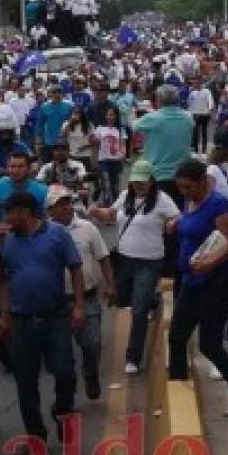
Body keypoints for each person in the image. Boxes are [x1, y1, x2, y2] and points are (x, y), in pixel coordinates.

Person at [0, 190, 85, 442]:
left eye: (11, 212)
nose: (7, 218)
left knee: (65, 373)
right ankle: (36, 435)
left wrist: (78, 306)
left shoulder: (57, 234)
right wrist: (4, 315)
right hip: (21, 321)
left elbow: (75, 269)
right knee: (25, 382)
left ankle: (62, 410)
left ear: (26, 213)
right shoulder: (6, 240)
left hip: (55, 317)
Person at [167, 160, 228, 416]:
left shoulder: (218, 204)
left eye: (188, 188)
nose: (184, 193)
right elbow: (189, 222)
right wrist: (176, 223)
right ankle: (178, 389)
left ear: (202, 182)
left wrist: (210, 263)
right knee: (177, 336)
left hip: (215, 283)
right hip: (190, 280)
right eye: (180, 189)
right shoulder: (190, 202)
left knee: (209, 343)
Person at [89, 159, 179, 375]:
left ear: (151, 181)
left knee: (138, 312)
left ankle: (133, 358)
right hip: (124, 260)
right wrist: (94, 211)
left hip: (149, 262)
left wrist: (171, 225)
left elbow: (176, 217)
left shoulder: (162, 199)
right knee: (121, 301)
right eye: (135, 181)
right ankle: (151, 299)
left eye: (143, 181)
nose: (139, 185)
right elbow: (111, 214)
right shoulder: (125, 197)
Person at [46, 185, 116, 401]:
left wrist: (111, 285)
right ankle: (67, 391)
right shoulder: (43, 232)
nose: (66, 207)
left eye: (68, 202)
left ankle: (91, 375)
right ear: (50, 210)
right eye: (60, 204)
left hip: (87, 297)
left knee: (92, 344)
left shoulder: (87, 228)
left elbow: (103, 257)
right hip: (56, 303)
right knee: (60, 353)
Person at [130, 84, 194, 200]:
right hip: (183, 174)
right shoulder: (188, 117)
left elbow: (132, 127)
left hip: (159, 174)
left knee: (158, 213)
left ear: (158, 99)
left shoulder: (153, 118)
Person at [0, 150, 48, 229]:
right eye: (12, 166)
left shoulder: (42, 190)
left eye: (20, 166)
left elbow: (46, 218)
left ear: (29, 168)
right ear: (7, 168)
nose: (16, 170)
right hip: (5, 232)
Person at [90, 107, 127, 205]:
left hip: (116, 160)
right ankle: (106, 204)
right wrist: (94, 159)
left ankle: (116, 206)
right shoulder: (100, 129)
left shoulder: (120, 129)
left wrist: (123, 155)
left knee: (115, 186)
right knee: (106, 184)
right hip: (103, 160)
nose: (109, 117)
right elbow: (95, 145)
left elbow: (122, 144)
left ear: (116, 116)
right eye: (108, 114)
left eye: (112, 114)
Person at [34, 85, 75, 163]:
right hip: (49, 141)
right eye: (54, 92)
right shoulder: (44, 107)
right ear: (50, 93)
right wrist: (38, 142)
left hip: (65, 141)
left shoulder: (70, 106)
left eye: (59, 91)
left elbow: (73, 122)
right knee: (48, 164)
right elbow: (40, 125)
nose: (57, 93)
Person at [185, 76, 215, 152]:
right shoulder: (192, 92)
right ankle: (195, 149)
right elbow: (189, 103)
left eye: (197, 83)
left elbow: (210, 100)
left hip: (204, 114)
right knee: (195, 131)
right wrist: (189, 112)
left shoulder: (207, 91)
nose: (195, 84)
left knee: (204, 131)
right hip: (195, 113)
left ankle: (204, 149)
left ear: (200, 83)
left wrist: (210, 109)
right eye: (194, 83)